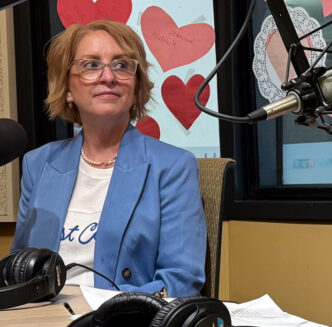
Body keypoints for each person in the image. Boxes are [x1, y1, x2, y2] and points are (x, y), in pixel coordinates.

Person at [12, 20, 206, 298]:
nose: (108, 77)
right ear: (67, 87)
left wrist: (102, 315)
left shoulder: (173, 167)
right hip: (42, 322)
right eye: (91, 65)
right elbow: (19, 268)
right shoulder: (38, 164)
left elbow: (181, 279)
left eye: (122, 65)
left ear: (136, 87)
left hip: (121, 326)